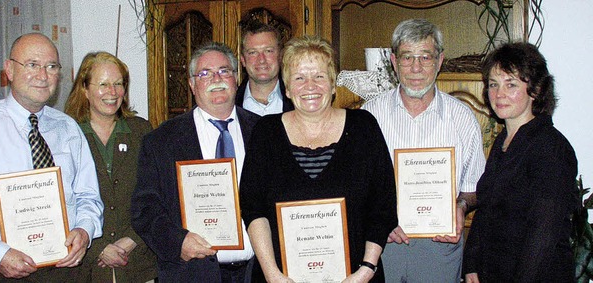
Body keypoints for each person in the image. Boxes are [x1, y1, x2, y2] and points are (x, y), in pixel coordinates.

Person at [240, 36, 398, 283]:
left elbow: (383, 205)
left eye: (319, 77)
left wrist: (366, 270)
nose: (310, 86)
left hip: (356, 278)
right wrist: (272, 274)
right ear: (288, 88)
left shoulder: (363, 127)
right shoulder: (266, 133)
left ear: (333, 85)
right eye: (300, 78)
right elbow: (253, 207)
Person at [0, 33, 103, 282]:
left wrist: (85, 230)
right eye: (32, 65)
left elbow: (88, 196)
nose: (43, 76)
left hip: (68, 271)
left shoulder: (68, 129)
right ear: (9, 70)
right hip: (3, 272)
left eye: (51, 66)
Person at [361, 19, 486, 282]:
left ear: (439, 61)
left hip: (440, 247)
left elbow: (474, 187)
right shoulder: (368, 116)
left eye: (425, 57)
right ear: (394, 62)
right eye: (407, 57)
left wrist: (461, 206)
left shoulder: (462, 118)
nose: (416, 68)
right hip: (382, 244)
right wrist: (378, 219)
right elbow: (356, 184)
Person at [131, 42, 260, 282]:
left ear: (236, 78)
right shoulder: (161, 141)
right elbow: (144, 209)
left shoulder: (264, 131)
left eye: (224, 71)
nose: (216, 79)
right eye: (205, 74)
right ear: (191, 84)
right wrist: (177, 242)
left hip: (255, 272)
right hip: (192, 273)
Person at [463, 42, 578, 282]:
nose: (499, 94)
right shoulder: (502, 142)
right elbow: (486, 211)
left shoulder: (551, 148)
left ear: (535, 90)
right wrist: (471, 265)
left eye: (511, 84)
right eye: (493, 84)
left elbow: (542, 237)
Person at [64, 51, 157, 283]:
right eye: (103, 84)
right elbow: (60, 202)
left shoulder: (141, 131)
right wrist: (98, 247)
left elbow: (159, 194)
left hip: (138, 263)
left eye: (118, 84)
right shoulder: (65, 136)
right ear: (84, 89)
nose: (112, 92)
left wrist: (131, 240)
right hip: (86, 267)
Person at [236, 21, 294, 115]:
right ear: (243, 60)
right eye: (253, 52)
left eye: (268, 51)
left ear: (280, 56)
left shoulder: (298, 102)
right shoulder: (228, 106)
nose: (261, 60)